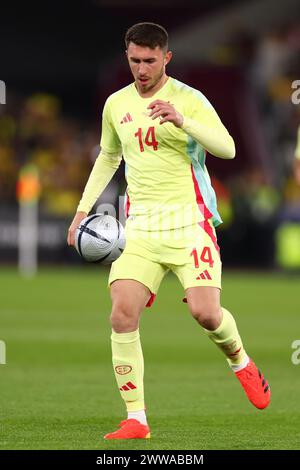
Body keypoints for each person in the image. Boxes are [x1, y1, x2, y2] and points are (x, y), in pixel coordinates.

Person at [67, 22, 270, 440]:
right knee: (122, 314)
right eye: (134, 60)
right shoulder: (116, 104)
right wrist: (82, 210)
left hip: (190, 223)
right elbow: (108, 156)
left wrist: (183, 121)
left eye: (149, 61)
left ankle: (241, 362)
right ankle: (136, 418)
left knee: (205, 313)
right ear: (128, 55)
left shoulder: (189, 99)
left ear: (166, 58)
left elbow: (227, 147)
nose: (141, 69)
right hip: (140, 228)